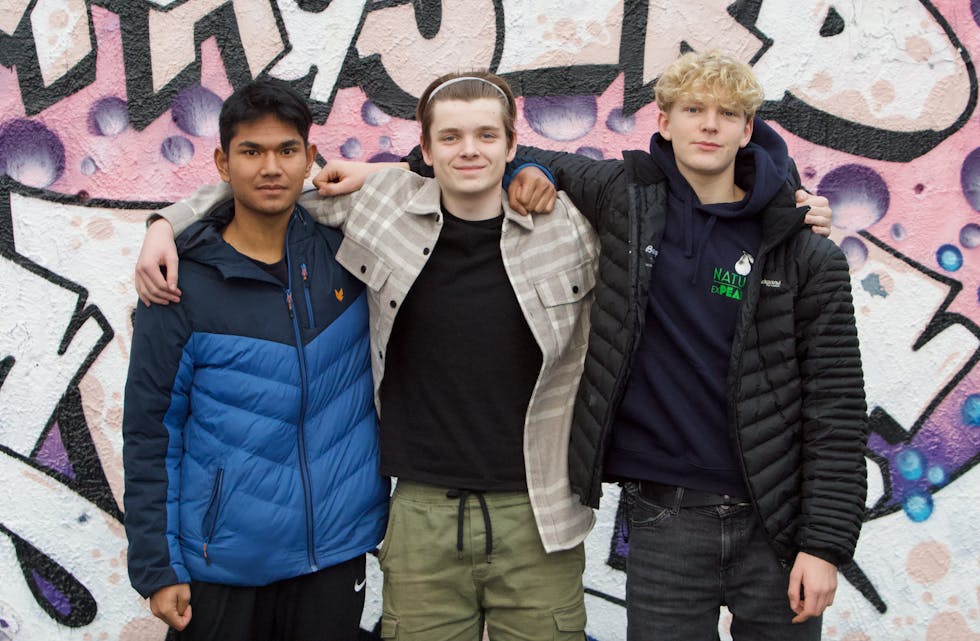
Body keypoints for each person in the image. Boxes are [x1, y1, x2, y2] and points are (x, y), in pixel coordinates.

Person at [136, 71, 598, 641]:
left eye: (486, 135)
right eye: (450, 137)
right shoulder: (379, 215)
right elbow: (268, 189)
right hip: (386, 521)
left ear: (511, 143)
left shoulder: (567, 230)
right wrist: (165, 224)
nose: (470, 149)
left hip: (518, 515)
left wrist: (539, 170)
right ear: (425, 150)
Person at [492, 51, 866, 640]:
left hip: (777, 523)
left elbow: (837, 411)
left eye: (727, 113)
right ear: (664, 121)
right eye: (693, 109)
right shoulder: (626, 200)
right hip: (664, 516)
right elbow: (494, 155)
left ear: (749, 130)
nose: (709, 124)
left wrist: (825, 545)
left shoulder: (803, 249)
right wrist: (522, 172)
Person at [122, 78, 389, 641]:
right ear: (223, 162)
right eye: (251, 151)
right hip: (221, 565)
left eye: (287, 150)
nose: (271, 167)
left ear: (310, 158)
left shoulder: (348, 251)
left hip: (333, 556)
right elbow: (151, 432)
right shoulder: (179, 286)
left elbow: (456, 177)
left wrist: (524, 171)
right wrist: (157, 565)